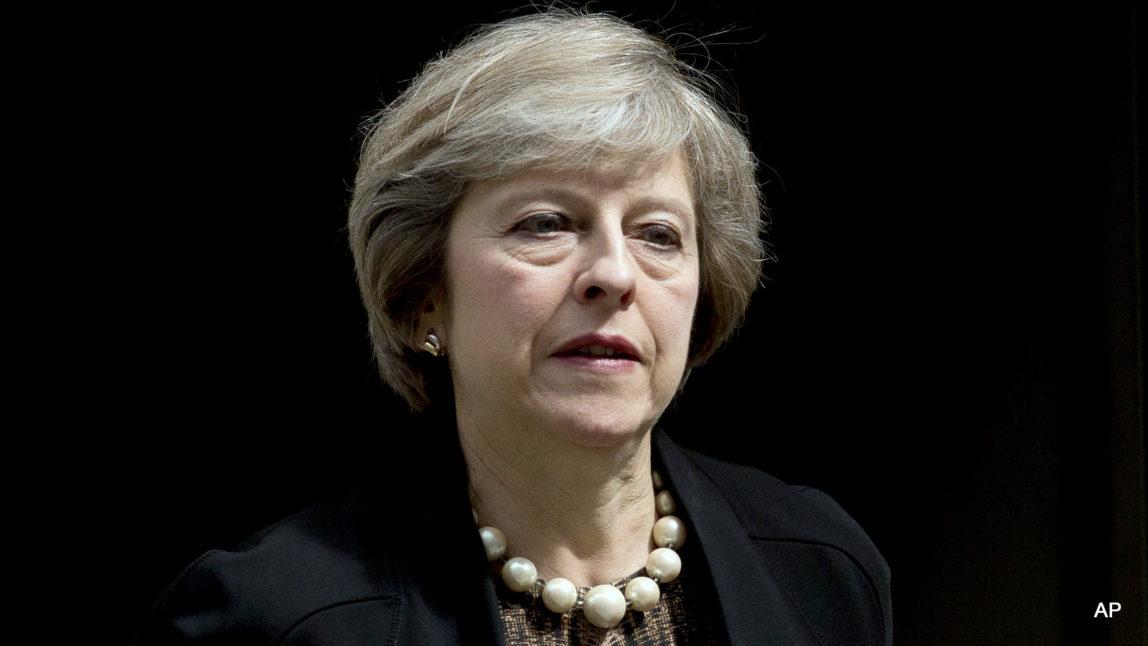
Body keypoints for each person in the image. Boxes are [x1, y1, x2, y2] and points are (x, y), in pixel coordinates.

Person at [135, 9, 891, 645]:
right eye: (545, 223)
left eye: (657, 234)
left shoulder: (823, 570)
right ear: (424, 293)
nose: (614, 274)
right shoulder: (273, 618)